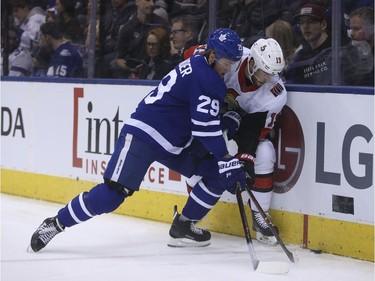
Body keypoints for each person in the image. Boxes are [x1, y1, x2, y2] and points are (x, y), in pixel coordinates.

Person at [29, 28, 246, 252]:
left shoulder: (200, 57)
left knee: (218, 174)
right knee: (111, 196)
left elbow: (199, 115)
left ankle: (184, 225)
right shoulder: (208, 78)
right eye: (226, 63)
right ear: (212, 56)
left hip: (173, 143)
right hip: (144, 134)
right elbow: (204, 127)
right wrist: (225, 157)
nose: (228, 69)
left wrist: (225, 130)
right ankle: (56, 223)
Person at [182, 37, 287, 245]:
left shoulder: (276, 92)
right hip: (211, 115)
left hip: (244, 126)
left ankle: (260, 216)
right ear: (252, 63)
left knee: (265, 153)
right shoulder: (232, 56)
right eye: (264, 72)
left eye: (272, 74)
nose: (267, 79)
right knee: (196, 161)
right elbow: (189, 54)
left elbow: (258, 129)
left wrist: (245, 159)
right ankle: (189, 219)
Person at [114, 0, 169, 78]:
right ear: (137, 2)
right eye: (147, 0)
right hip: (134, 77)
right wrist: (131, 69)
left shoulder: (162, 25)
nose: (152, 4)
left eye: (153, 1)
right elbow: (119, 58)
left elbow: (168, 52)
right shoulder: (127, 28)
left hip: (158, 74)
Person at [284, 3, 332, 85]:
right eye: (302, 23)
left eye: (310, 22)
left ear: (323, 25)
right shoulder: (300, 56)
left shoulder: (338, 49)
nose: (305, 27)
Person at [343, 6, 374, 86]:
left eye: (356, 29)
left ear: (372, 29)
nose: (352, 34)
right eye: (351, 29)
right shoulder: (349, 53)